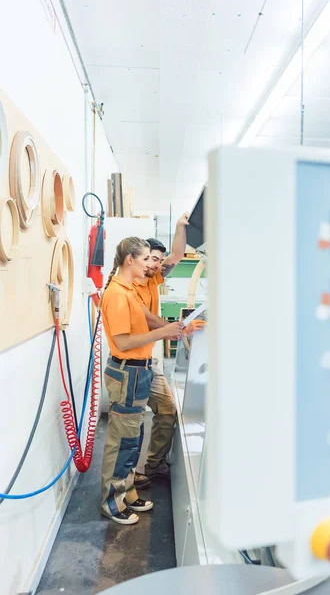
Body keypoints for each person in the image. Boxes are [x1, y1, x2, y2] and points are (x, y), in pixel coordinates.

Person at [100, 237, 182, 525]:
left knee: (133, 439)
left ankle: (128, 491)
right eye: (146, 259)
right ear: (129, 260)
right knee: (122, 440)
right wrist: (163, 332)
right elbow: (122, 342)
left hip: (140, 369)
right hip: (127, 371)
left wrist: (168, 328)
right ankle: (112, 502)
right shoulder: (117, 294)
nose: (152, 264)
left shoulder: (131, 290)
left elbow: (145, 318)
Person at [132, 213, 203, 480]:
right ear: (139, 259)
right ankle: (128, 478)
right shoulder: (131, 285)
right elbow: (147, 319)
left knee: (166, 410)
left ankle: (154, 465)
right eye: (151, 259)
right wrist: (175, 328)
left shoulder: (153, 278)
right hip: (131, 364)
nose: (157, 265)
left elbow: (176, 255)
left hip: (148, 362)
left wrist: (179, 227)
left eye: (158, 261)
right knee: (131, 425)